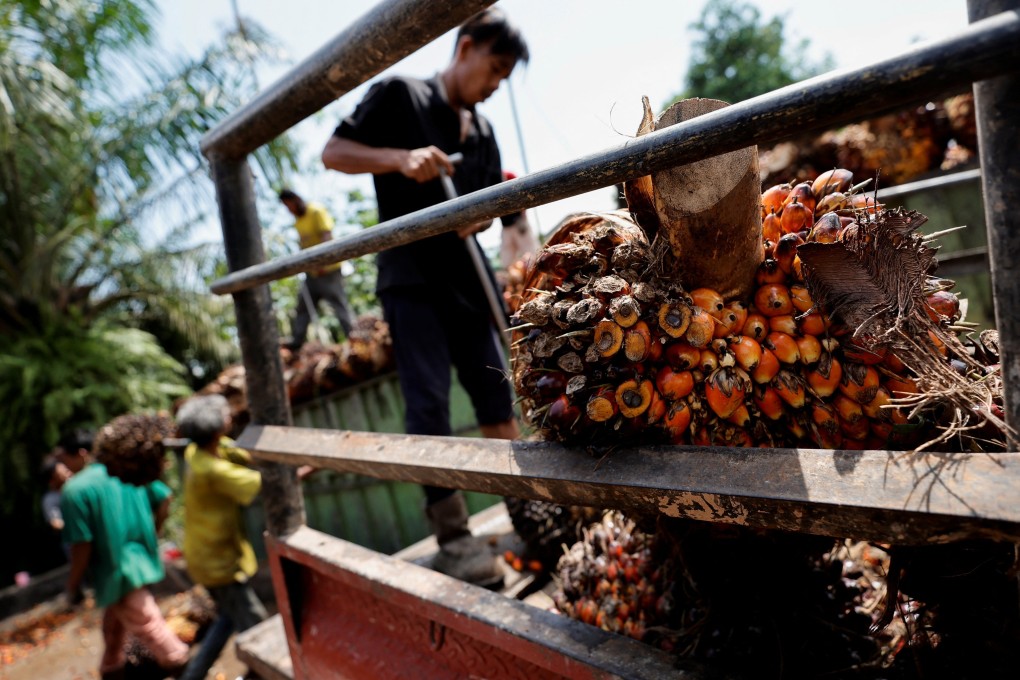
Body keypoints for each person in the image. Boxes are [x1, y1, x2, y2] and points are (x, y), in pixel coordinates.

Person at [321, 7, 528, 588]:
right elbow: (333, 153)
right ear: (466, 47)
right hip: (411, 280)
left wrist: (480, 219)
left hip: (468, 278)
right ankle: (455, 538)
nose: (494, 85)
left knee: (495, 396)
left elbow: (488, 203)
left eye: (504, 78)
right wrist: (399, 159)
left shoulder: (482, 130)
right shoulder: (399, 97)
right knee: (429, 405)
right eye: (493, 69)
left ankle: (524, 509)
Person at [60, 419, 189, 680]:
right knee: (115, 626)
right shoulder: (124, 470)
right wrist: (154, 531)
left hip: (117, 571)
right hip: (141, 561)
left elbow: (82, 546)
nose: (63, 466)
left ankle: (184, 666)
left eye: (65, 458)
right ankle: (111, 667)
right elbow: (164, 496)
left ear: (81, 454)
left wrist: (72, 585)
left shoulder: (75, 490)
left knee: (150, 627)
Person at [174, 394, 267, 680]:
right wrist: (304, 469)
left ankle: (194, 675)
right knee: (258, 625)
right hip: (219, 561)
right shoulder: (211, 469)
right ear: (217, 430)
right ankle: (260, 672)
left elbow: (238, 452)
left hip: (207, 553)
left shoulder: (199, 451)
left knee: (227, 619)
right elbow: (260, 483)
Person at [278, 188, 355, 347]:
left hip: (328, 270)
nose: (289, 209)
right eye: (286, 207)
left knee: (338, 304)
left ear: (296, 199)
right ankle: (296, 343)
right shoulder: (298, 221)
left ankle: (353, 337)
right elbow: (304, 245)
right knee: (303, 306)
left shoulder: (316, 211)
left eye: (289, 205)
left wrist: (322, 262)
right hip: (312, 273)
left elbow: (326, 235)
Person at [498, 170, 540, 270]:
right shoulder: (489, 179)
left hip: (518, 221)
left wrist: (522, 217)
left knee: (532, 254)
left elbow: (522, 194)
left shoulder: (508, 175)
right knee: (507, 260)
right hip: (506, 226)